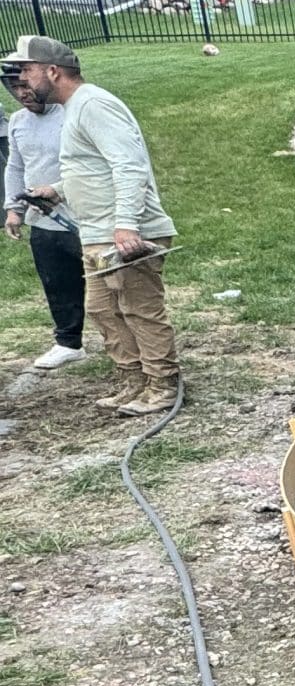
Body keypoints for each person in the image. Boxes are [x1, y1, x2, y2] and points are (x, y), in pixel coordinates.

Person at [4, 36, 178, 414]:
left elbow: (128, 166)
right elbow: (91, 169)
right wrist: (57, 191)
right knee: (103, 310)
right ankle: (134, 381)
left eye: (27, 70)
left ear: (53, 71)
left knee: (139, 310)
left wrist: (127, 225)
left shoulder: (94, 104)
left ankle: (163, 385)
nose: (22, 80)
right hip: (96, 232)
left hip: (124, 233)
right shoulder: (73, 108)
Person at [3, 52, 87, 366]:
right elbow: (15, 166)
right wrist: (13, 209)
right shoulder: (17, 121)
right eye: (15, 88)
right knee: (57, 281)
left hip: (79, 215)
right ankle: (69, 342)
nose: (22, 93)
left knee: (105, 283)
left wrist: (58, 190)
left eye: (25, 85)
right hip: (42, 219)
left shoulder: (70, 114)